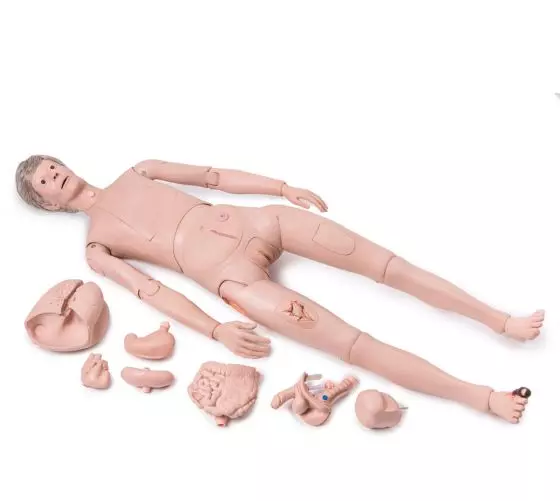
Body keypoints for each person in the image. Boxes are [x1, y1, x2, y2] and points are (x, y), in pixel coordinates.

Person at [16, 155, 544, 422]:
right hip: (235, 282)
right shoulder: (97, 249)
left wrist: (280, 187)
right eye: (43, 181)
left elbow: (213, 177)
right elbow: (151, 292)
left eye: (52, 166)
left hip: (259, 223)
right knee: (354, 346)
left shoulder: (140, 169)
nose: (54, 176)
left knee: (390, 267)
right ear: (47, 204)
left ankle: (499, 319)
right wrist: (217, 329)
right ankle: (484, 398)